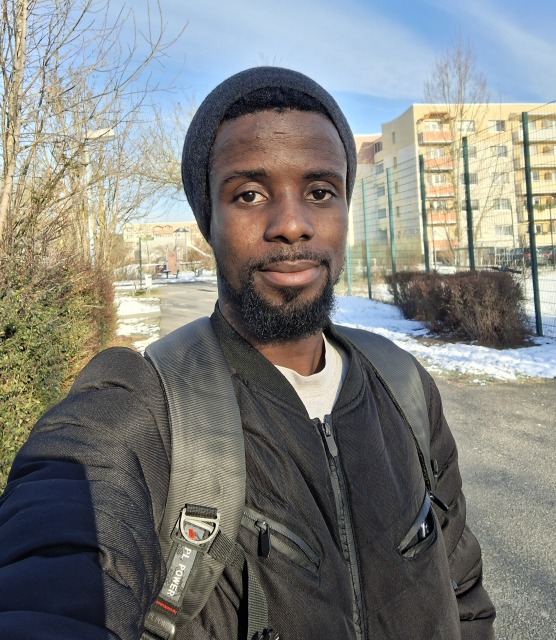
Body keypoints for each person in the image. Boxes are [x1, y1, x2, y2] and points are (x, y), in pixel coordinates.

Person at [0, 67, 495, 639]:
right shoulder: (142, 408)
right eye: (250, 194)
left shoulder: (403, 385)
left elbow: (463, 593)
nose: (292, 224)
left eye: (320, 192)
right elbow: (58, 556)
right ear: (207, 220)